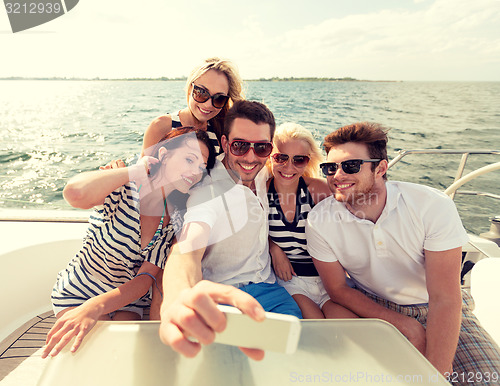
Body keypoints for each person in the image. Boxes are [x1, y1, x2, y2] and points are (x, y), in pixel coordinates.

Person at [305, 122, 500, 380]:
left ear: (381, 168)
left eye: (351, 166)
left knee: (487, 379)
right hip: (374, 305)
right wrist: (402, 323)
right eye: (330, 168)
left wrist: (435, 373)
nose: (337, 175)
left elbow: (445, 297)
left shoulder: (431, 207)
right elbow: (338, 289)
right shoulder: (320, 220)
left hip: (440, 307)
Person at [42, 128, 216, 358]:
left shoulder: (175, 219)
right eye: (189, 159)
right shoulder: (124, 187)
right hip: (80, 289)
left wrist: (96, 307)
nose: (195, 171)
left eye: (201, 167)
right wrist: (134, 170)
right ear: (163, 155)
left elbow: (145, 279)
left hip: (125, 299)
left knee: (123, 354)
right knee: (95, 349)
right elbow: (74, 193)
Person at [159, 100, 302, 359]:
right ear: (225, 144)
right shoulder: (208, 192)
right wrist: (177, 295)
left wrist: (273, 245)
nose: (250, 156)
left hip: (271, 289)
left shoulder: (260, 172)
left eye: (261, 147)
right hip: (224, 296)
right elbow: (186, 249)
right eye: (239, 145)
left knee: (294, 352)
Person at [267, 122, 357, 319]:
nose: (288, 167)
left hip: (329, 280)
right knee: (317, 327)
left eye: (298, 160)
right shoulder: (262, 193)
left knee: (347, 327)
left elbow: (354, 221)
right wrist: (273, 246)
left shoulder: (319, 191)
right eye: (281, 157)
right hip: (292, 282)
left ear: (308, 162)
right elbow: (250, 231)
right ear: (270, 157)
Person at [142, 57, 244, 157]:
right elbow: (142, 171)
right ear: (190, 88)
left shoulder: (220, 130)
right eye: (201, 92)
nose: (208, 104)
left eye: (219, 99)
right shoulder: (161, 126)